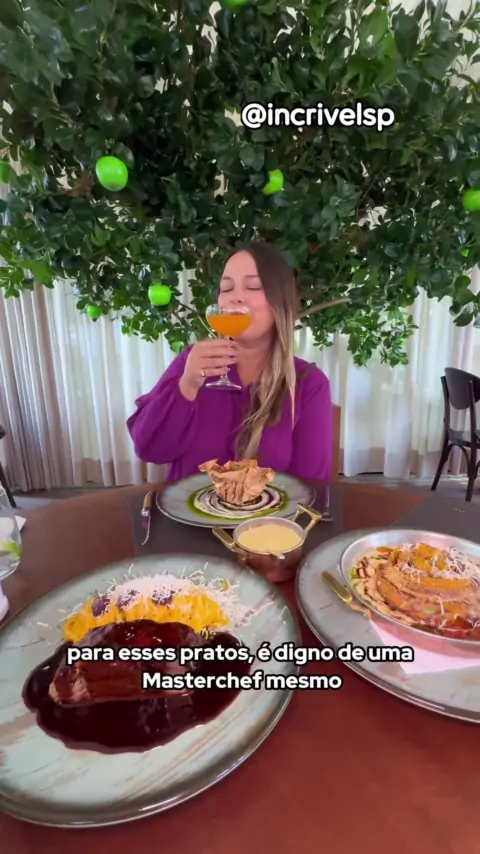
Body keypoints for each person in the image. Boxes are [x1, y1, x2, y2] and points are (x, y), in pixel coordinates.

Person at [127, 241, 333, 482]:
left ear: (280, 302)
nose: (236, 297)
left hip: (269, 509)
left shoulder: (308, 383)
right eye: (226, 289)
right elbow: (149, 449)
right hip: (187, 507)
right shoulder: (193, 363)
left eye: (253, 286)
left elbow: (310, 487)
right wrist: (187, 386)